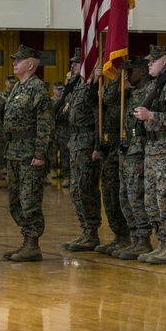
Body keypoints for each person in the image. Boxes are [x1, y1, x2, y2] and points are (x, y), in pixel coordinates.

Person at [133, 45, 166, 264]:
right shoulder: (154, 86)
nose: (149, 64)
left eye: (153, 61)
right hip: (153, 149)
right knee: (150, 201)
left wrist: (151, 116)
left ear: (165, 63)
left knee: (165, 199)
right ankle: (160, 244)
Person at [2, 45, 54, 263]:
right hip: (13, 151)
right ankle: (26, 241)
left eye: (19, 60)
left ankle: (32, 244)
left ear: (30, 65)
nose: (14, 63)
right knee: (15, 201)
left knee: (29, 200)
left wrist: (40, 154)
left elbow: (45, 124)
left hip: (29, 153)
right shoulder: (17, 87)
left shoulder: (37, 88)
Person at [112, 56, 155, 260]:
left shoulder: (151, 92)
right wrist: (117, 76)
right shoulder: (128, 93)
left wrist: (146, 158)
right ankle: (135, 239)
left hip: (139, 151)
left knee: (136, 198)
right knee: (124, 197)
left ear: (144, 71)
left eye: (132, 69)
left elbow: (151, 128)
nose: (128, 73)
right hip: (125, 149)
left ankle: (144, 241)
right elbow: (108, 99)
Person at [62, 48, 103, 252]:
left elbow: (98, 116)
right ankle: (85, 230)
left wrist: (97, 146)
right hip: (75, 142)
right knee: (75, 190)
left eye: (77, 62)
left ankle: (91, 233)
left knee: (86, 189)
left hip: (87, 144)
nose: (73, 65)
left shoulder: (92, 86)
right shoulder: (77, 85)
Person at [95, 64, 129, 255]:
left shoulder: (132, 96)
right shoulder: (116, 97)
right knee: (108, 196)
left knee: (120, 196)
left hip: (122, 151)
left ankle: (127, 237)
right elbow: (106, 99)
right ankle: (118, 236)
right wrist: (116, 79)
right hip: (109, 151)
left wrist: (121, 81)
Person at [51, 81, 70, 183]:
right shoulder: (50, 101)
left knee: (65, 153)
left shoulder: (66, 102)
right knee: (52, 153)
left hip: (64, 131)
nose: (59, 91)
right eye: (57, 89)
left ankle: (66, 175)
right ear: (53, 90)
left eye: (61, 89)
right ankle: (52, 172)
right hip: (54, 130)